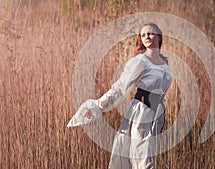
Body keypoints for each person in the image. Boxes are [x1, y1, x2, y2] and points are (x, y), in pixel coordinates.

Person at [68, 23, 172, 169]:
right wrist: (100, 105)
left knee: (148, 159)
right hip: (141, 112)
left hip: (157, 114)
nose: (146, 37)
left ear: (159, 37)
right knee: (143, 160)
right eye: (143, 35)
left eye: (150, 33)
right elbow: (121, 87)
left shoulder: (163, 63)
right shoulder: (141, 61)